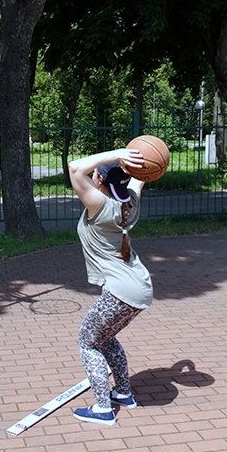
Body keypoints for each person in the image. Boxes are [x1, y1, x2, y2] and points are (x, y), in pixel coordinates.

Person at [67, 148, 153, 425]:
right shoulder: (130, 203)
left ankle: (103, 409)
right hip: (139, 288)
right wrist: (137, 162)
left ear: (101, 181)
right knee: (105, 338)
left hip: (120, 292)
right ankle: (124, 394)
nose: (92, 176)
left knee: (87, 342)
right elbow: (140, 178)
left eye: (97, 176)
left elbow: (74, 168)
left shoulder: (100, 206)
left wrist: (118, 153)